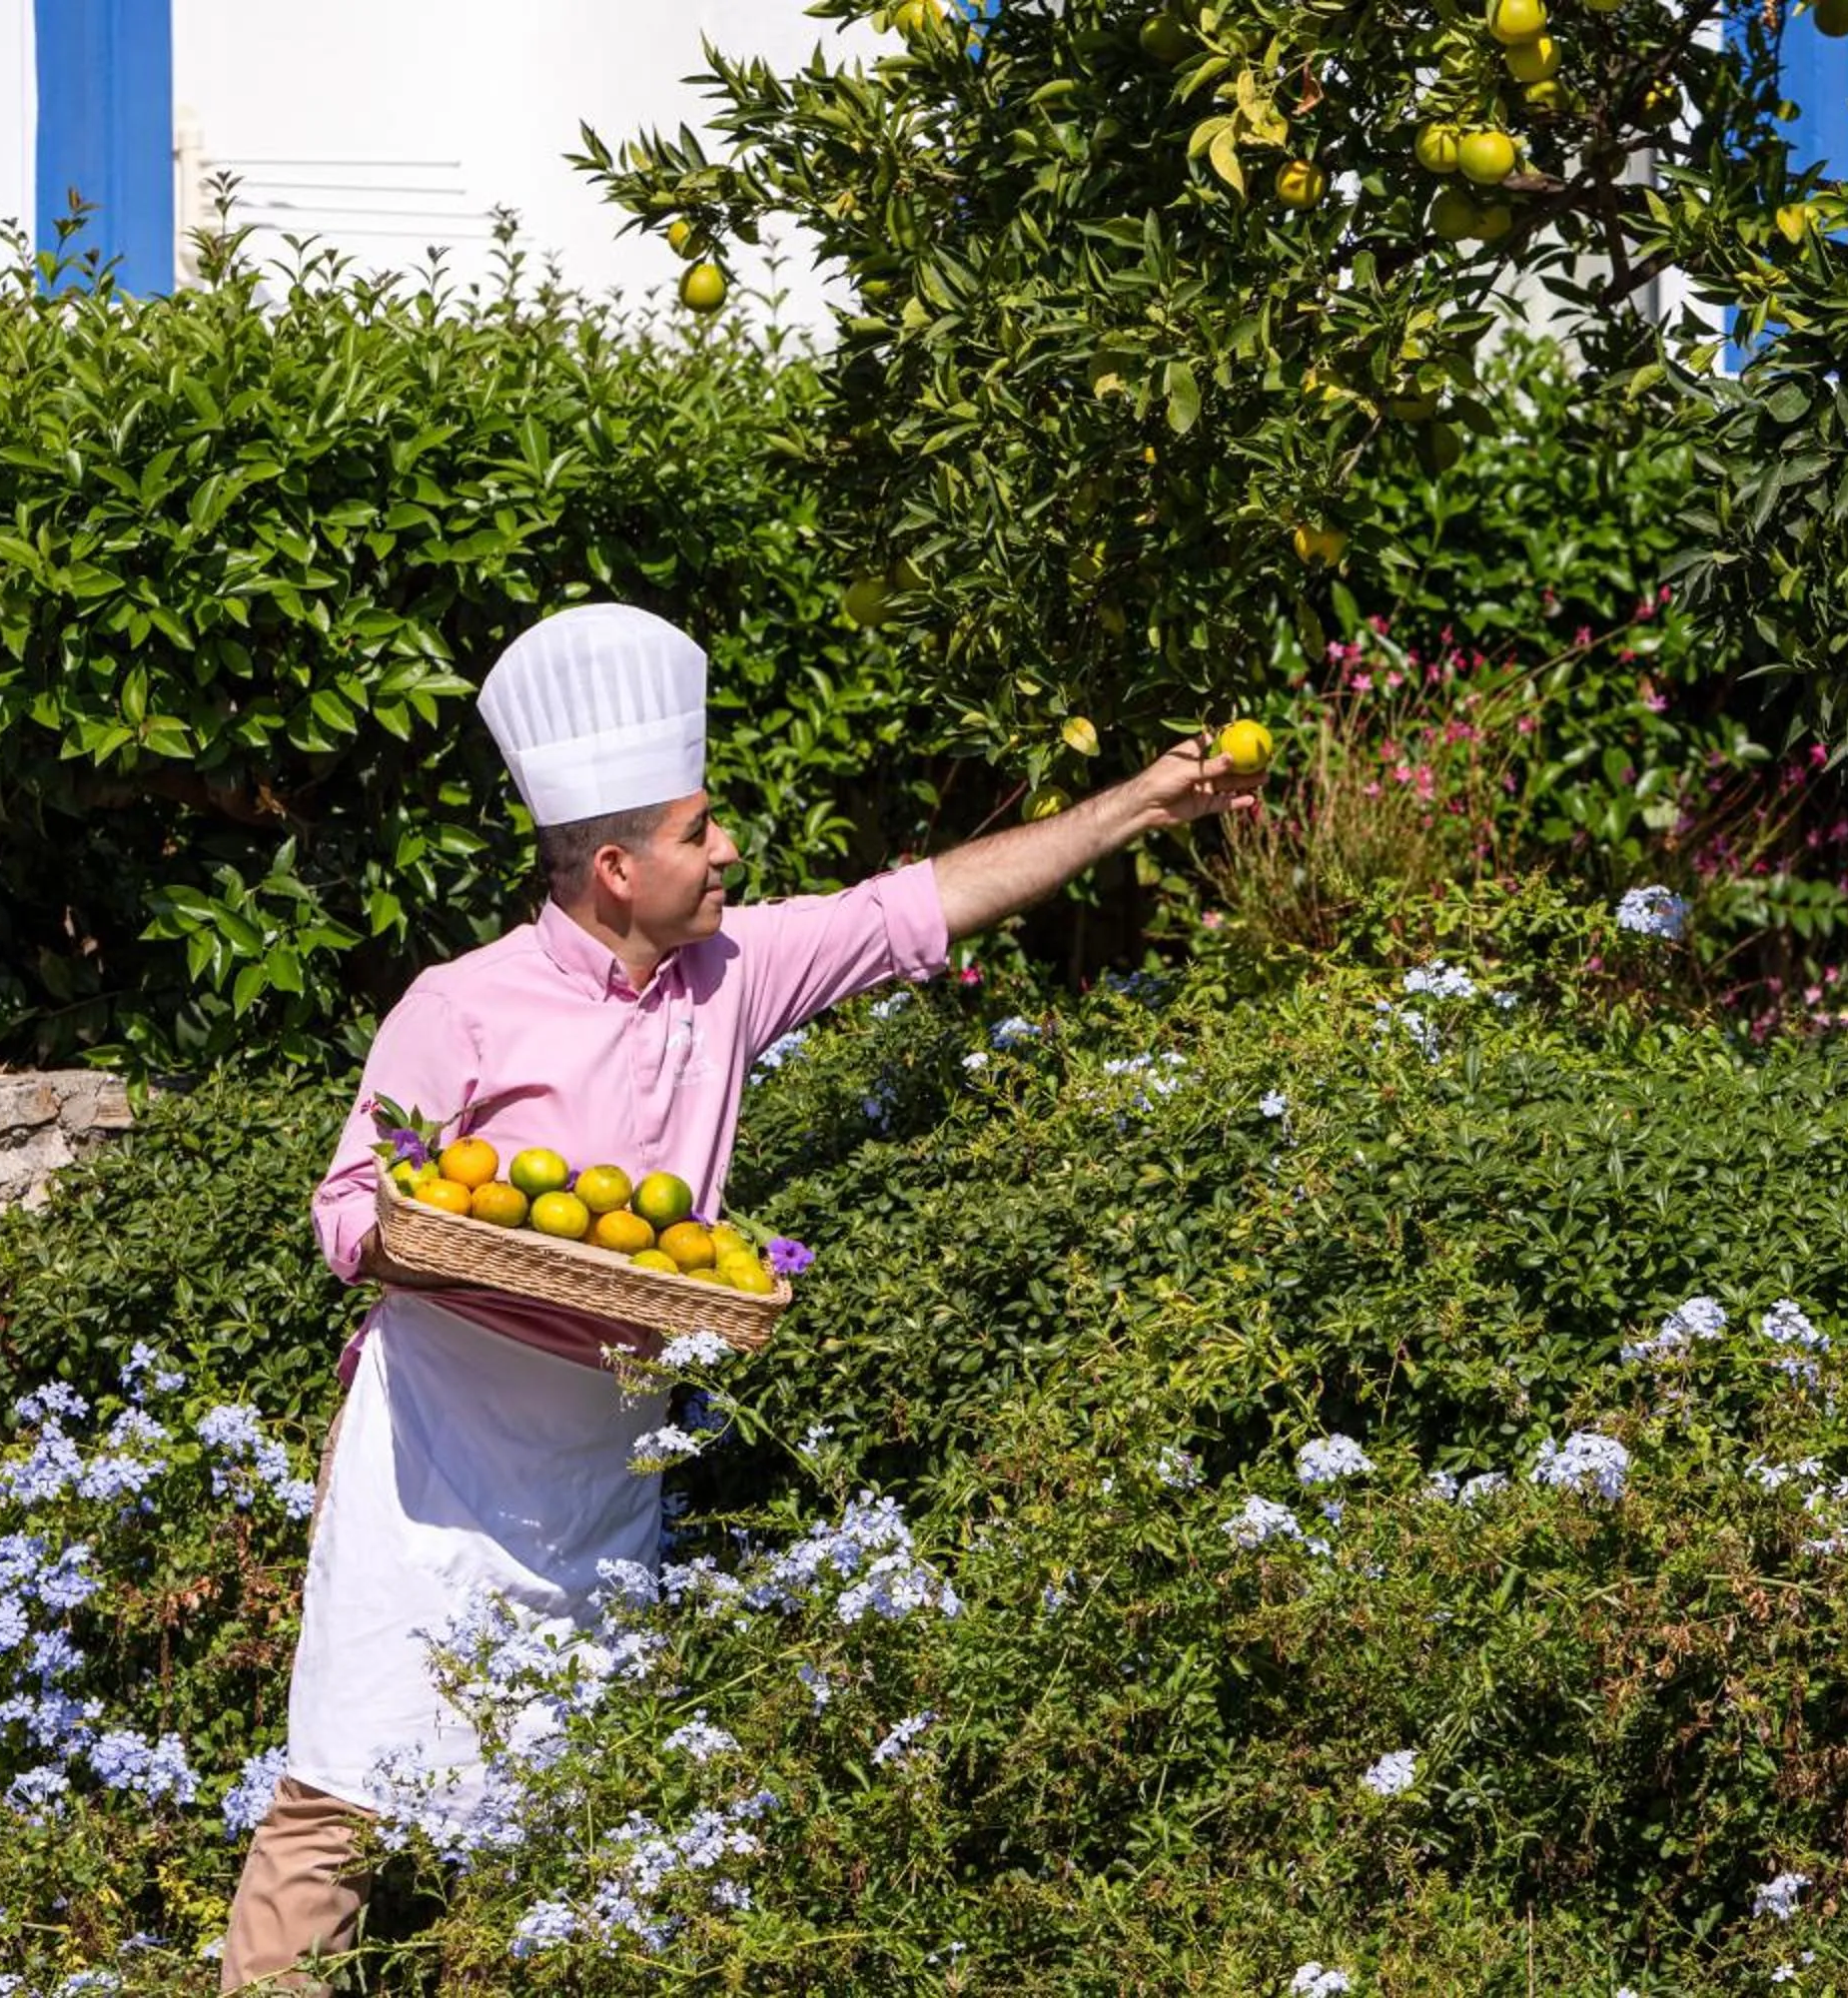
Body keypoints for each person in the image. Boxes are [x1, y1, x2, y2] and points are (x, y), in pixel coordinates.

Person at [217, 602, 1262, 1990]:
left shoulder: (731, 977)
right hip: (434, 1452)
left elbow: (915, 907)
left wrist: (1136, 803)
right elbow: (351, 1213)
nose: (727, 854)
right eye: (699, 833)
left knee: (566, 1811)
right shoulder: (459, 1005)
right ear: (615, 868)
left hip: (604, 1456)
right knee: (339, 1802)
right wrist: (463, 1238)